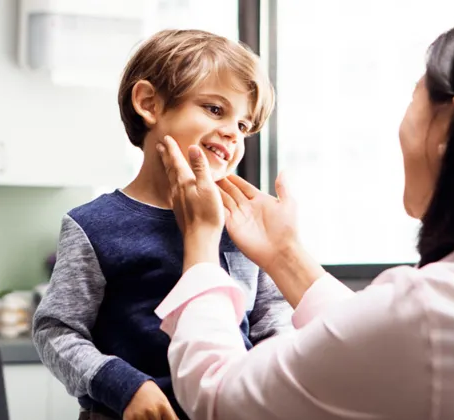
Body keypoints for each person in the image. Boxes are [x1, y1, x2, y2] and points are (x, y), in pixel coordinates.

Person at [154, 7, 454, 420]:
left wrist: (200, 244)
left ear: (447, 126)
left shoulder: (434, 315)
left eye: (415, 95)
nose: (231, 133)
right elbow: (384, 342)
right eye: (214, 109)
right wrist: (286, 255)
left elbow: (220, 397)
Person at [32, 29, 290, 420]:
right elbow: (56, 330)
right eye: (216, 110)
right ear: (149, 103)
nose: (232, 135)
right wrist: (124, 386)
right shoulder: (93, 226)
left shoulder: (242, 225)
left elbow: (272, 321)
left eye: (243, 126)